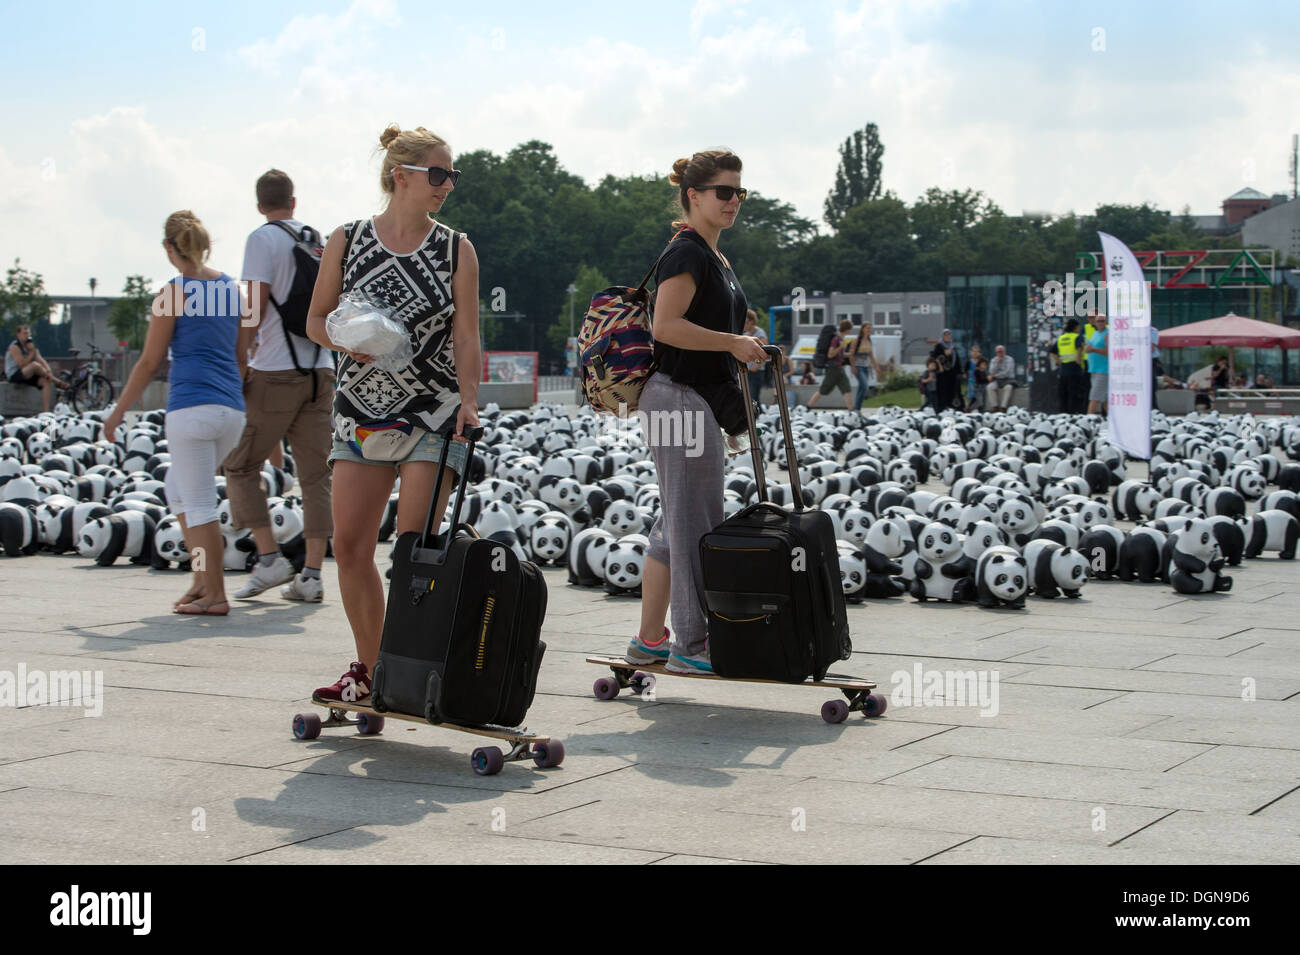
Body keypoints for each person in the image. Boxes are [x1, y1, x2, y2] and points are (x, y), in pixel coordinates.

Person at [303, 124, 482, 703]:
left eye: (452, 174)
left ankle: (412, 671)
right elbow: (314, 321)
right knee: (350, 548)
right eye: (437, 173)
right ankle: (373, 669)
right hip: (359, 412)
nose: (448, 184)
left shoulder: (457, 248)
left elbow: (467, 336)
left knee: (412, 554)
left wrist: (471, 403)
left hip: (434, 412)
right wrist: (346, 341)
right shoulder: (347, 239)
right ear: (399, 175)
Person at [622, 149, 766, 676]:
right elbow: (666, 326)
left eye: (739, 192)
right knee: (692, 523)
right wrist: (733, 342)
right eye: (723, 192)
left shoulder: (713, 255)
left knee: (674, 522)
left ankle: (649, 640)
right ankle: (691, 643)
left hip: (692, 399)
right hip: (676, 396)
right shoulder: (688, 252)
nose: (733, 201)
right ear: (694, 195)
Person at [103, 211, 247, 614]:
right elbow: (240, 357)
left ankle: (216, 594)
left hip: (191, 408)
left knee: (198, 503)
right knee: (176, 490)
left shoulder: (173, 293)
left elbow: (149, 363)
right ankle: (201, 581)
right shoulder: (231, 290)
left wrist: (117, 413)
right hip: (230, 411)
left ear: (170, 247)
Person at [224, 169, 336, 603]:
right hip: (320, 367)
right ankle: (311, 575)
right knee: (315, 476)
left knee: (239, 465)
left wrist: (241, 360)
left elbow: (252, 306)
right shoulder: (315, 237)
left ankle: (269, 558)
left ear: (259, 205)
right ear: (294, 201)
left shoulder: (261, 239)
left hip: (275, 370)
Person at [5, 325, 68, 413]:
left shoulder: (30, 347)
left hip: (28, 374)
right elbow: (21, 364)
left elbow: (41, 360)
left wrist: (48, 371)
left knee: (46, 382)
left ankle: (46, 412)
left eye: (28, 333)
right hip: (15, 374)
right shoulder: (14, 347)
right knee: (34, 365)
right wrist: (31, 352)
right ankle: (57, 382)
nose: (27, 336)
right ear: (18, 334)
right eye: (24, 333)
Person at [807, 318, 855, 410]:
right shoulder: (836, 339)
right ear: (847, 329)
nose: (850, 331)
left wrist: (849, 354)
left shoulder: (840, 338)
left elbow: (839, 355)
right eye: (850, 329)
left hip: (839, 368)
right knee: (823, 390)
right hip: (833, 369)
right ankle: (808, 407)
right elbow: (830, 354)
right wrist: (841, 347)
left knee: (847, 389)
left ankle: (851, 411)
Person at [1052, 318, 1087, 414]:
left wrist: (1060, 362)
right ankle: (1074, 414)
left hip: (1064, 370)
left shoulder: (1061, 338)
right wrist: (1080, 364)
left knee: (1064, 395)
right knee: (1075, 394)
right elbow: (1079, 350)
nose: (1079, 329)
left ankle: (1064, 414)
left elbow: (1053, 353)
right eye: (1078, 327)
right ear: (1075, 327)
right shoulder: (1077, 337)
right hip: (1075, 369)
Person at [849, 319, 881, 410]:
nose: (869, 330)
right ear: (862, 329)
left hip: (866, 367)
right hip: (858, 366)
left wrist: (876, 366)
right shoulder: (856, 340)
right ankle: (857, 408)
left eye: (870, 328)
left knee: (861, 388)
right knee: (864, 386)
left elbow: (871, 355)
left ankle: (857, 408)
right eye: (867, 328)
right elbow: (851, 355)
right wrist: (853, 367)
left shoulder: (869, 340)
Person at [1084, 313, 1109, 415]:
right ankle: (1114, 420)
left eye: (1103, 321)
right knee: (1104, 400)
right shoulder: (1095, 333)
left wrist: (1093, 349)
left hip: (1103, 370)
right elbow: (1088, 348)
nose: (1101, 323)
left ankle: (1088, 420)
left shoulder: (1108, 334)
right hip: (1094, 369)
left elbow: (1108, 351)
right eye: (1098, 321)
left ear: (1106, 322)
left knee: (1093, 397)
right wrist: (1088, 349)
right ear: (1095, 322)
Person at [742, 309, 768, 405]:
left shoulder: (760, 334)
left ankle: (758, 417)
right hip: (747, 370)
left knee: (754, 397)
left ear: (752, 321)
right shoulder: (745, 335)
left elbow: (765, 353)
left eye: (746, 322)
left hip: (756, 371)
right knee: (747, 397)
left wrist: (756, 366)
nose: (744, 325)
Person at [930, 329, 960, 410]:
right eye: (946, 335)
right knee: (942, 390)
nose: (948, 337)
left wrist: (959, 371)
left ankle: (950, 407)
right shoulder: (939, 346)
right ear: (943, 336)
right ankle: (942, 407)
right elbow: (935, 357)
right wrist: (944, 354)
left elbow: (956, 359)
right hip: (942, 372)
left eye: (949, 335)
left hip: (952, 372)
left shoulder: (953, 346)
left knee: (951, 389)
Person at [987, 345, 1016, 411]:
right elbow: (991, 371)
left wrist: (994, 376)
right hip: (997, 380)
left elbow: (1006, 373)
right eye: (998, 352)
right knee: (990, 387)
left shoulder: (1010, 359)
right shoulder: (994, 360)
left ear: (1004, 351)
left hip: (1008, 380)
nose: (999, 353)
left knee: (1008, 387)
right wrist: (997, 363)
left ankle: (1003, 407)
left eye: (1001, 351)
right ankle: (995, 406)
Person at [963, 344, 983, 411]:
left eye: (977, 351)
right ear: (971, 353)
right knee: (972, 396)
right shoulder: (969, 362)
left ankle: (973, 408)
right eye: (973, 351)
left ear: (979, 353)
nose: (975, 353)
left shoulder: (981, 362)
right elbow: (965, 372)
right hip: (971, 381)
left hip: (979, 381)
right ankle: (969, 408)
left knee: (979, 396)